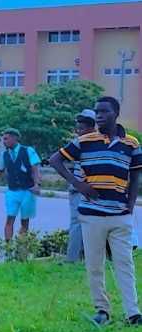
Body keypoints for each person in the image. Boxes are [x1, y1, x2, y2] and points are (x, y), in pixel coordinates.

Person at [49, 96, 142, 326]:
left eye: (104, 111)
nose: (99, 115)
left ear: (116, 113)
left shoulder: (131, 143)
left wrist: (130, 206)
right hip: (91, 215)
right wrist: (78, 184)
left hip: (120, 215)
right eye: (97, 111)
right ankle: (102, 310)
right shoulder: (84, 141)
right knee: (94, 264)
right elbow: (55, 160)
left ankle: (133, 313)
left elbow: (135, 176)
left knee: (125, 264)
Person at [0, 128, 41, 241]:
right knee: (10, 218)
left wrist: (37, 184)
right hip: (12, 190)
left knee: (24, 221)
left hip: (27, 190)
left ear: (14, 138)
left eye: (6, 139)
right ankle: (8, 245)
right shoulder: (4, 154)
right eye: (3, 139)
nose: (4, 142)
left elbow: (35, 169)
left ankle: (21, 245)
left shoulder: (28, 150)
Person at [64, 110, 97, 262]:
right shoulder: (86, 142)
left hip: (83, 190)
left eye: (82, 128)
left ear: (92, 127)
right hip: (82, 189)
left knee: (78, 223)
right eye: (78, 128)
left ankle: (72, 259)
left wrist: (76, 183)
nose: (79, 131)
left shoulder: (84, 142)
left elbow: (57, 160)